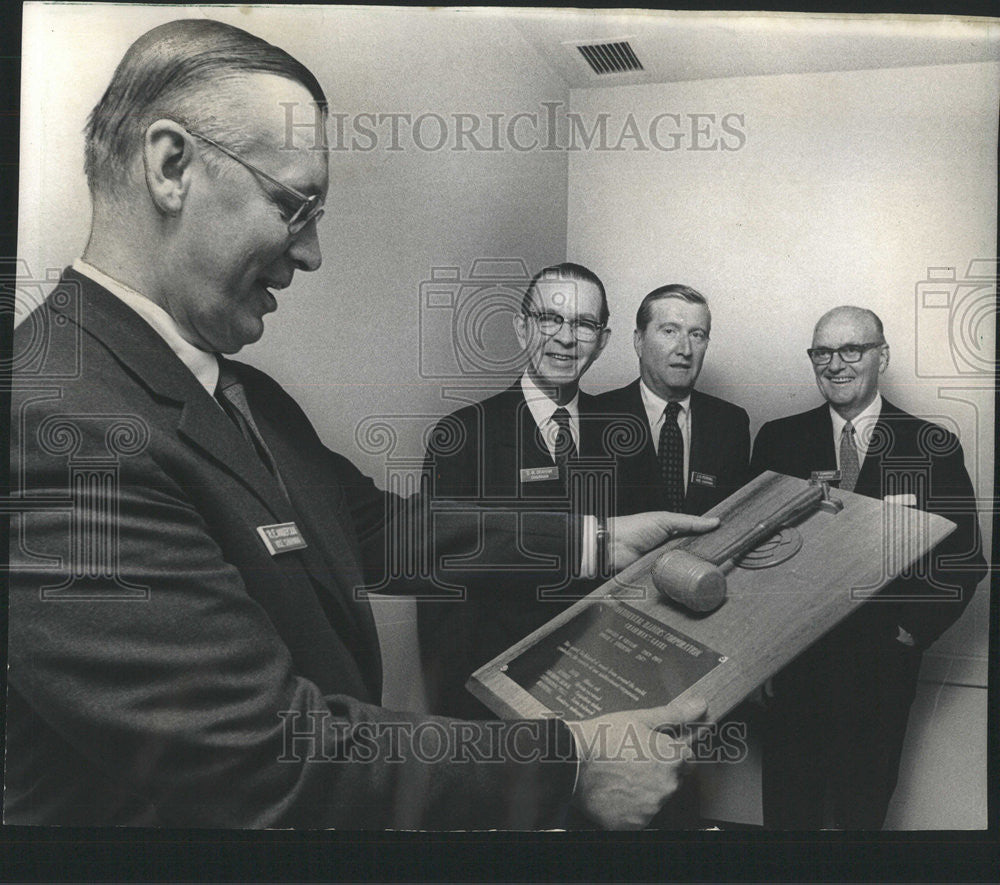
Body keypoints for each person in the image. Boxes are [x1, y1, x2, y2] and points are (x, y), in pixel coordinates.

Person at [5, 18, 720, 831]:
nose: (309, 254)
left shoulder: (245, 392)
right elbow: (266, 756)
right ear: (172, 167)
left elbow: (376, 525)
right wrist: (571, 768)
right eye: (294, 205)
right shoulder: (53, 424)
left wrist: (603, 541)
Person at [750, 306, 986, 829]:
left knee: (863, 817)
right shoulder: (778, 440)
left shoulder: (931, 445)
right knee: (788, 820)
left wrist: (909, 632)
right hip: (793, 671)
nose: (836, 364)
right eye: (822, 352)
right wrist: (757, 657)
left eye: (851, 349)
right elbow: (753, 556)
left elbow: (964, 556)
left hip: (880, 672)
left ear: (882, 354)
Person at [420, 262, 613, 718]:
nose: (566, 338)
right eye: (550, 319)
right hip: (497, 708)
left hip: (603, 693)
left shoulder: (623, 434)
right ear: (522, 328)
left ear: (602, 341)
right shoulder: (463, 437)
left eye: (584, 324)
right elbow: (440, 602)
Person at [592, 284, 750, 518]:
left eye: (697, 335)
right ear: (639, 341)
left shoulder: (730, 424)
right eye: (669, 331)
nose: (685, 350)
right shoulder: (594, 417)